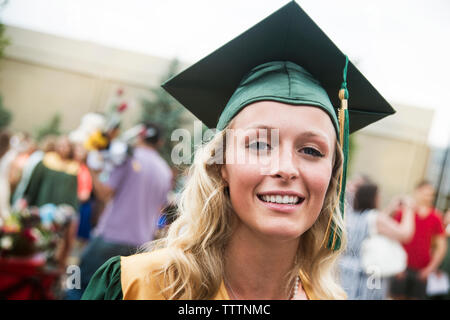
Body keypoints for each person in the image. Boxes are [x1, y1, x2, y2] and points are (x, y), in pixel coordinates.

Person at [82, 2, 395, 300]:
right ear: (222, 165)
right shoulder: (137, 286)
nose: (286, 168)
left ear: (332, 175)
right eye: (259, 144)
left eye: (311, 150)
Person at [66, 122, 172, 299]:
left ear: (139, 136)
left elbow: (104, 193)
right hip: (140, 244)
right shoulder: (165, 171)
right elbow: (161, 210)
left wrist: (89, 168)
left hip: (111, 236)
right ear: (160, 142)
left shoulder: (127, 158)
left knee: (79, 286)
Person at [339, 182, 415, 299]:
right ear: (373, 197)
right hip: (368, 276)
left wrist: (391, 208)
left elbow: (375, 224)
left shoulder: (350, 215)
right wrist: (409, 209)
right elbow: (405, 234)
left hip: (345, 271)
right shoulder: (375, 218)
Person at [390, 181, 447, 299]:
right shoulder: (403, 212)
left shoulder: (436, 217)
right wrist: (395, 265)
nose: (429, 197)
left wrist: (429, 269)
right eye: (426, 193)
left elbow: (441, 248)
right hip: (401, 268)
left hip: (421, 271)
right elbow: (392, 239)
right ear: (417, 192)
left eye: (431, 194)